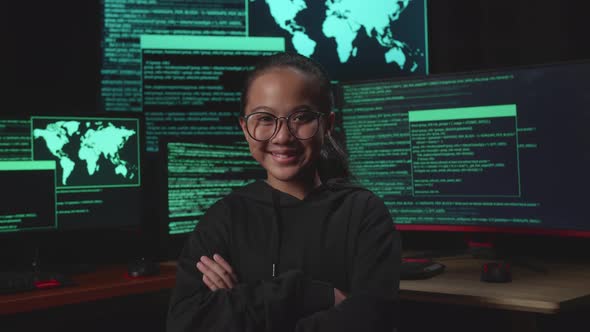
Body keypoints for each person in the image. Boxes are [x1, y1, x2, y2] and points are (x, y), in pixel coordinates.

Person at [166, 52, 400, 332]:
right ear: (245, 128)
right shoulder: (226, 218)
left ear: (328, 125)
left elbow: (370, 320)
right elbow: (185, 323)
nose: (282, 137)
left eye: (301, 117)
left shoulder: (364, 213)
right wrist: (304, 294)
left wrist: (242, 306)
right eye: (264, 118)